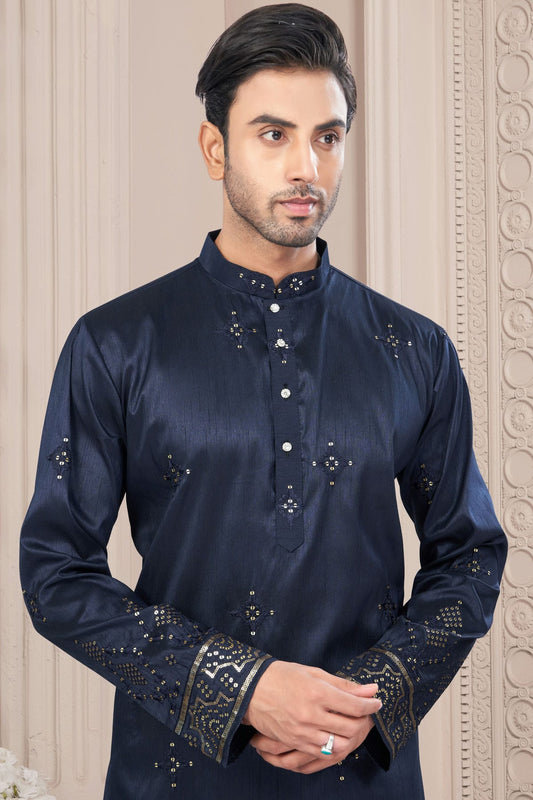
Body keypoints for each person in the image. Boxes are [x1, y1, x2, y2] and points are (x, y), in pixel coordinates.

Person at [20, 4, 507, 798]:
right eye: (273, 134)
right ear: (215, 148)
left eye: (327, 137)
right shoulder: (117, 342)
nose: (306, 167)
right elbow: (56, 574)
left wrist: (370, 700)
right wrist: (243, 689)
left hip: (359, 771)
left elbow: (469, 555)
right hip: (174, 776)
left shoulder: (412, 348)